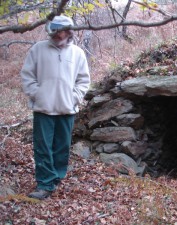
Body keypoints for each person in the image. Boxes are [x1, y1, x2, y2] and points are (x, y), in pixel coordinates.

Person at [20, 15, 90, 200]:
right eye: (56, 31)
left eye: (63, 31)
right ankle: (45, 184)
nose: (59, 35)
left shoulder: (77, 53)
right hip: (43, 108)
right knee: (42, 147)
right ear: (52, 32)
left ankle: (57, 178)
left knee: (62, 147)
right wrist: (38, 94)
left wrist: (74, 97)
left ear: (69, 31)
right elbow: (27, 76)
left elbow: (83, 80)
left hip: (67, 108)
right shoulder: (38, 49)